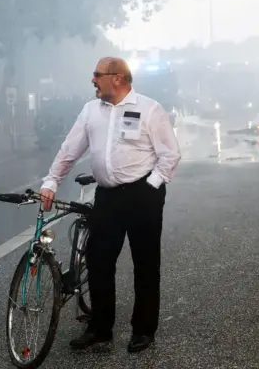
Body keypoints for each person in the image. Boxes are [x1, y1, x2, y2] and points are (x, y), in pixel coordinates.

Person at [40, 57, 181, 353]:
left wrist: (151, 185)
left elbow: (170, 153)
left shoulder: (149, 109)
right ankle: (100, 328)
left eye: (97, 75)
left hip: (143, 195)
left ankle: (143, 330)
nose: (92, 80)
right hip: (107, 196)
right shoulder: (91, 110)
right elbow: (70, 149)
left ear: (117, 78)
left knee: (145, 264)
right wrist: (51, 181)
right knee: (98, 261)